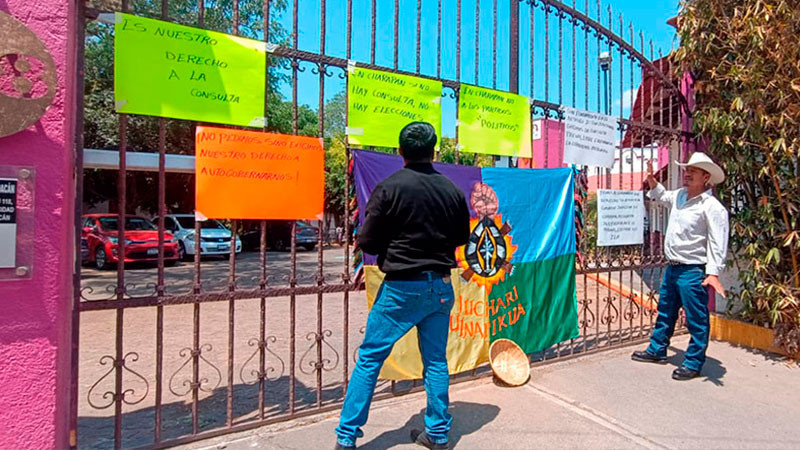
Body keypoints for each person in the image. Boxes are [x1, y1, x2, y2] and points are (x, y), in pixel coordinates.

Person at [335, 122, 470, 449]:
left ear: (400, 151)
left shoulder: (389, 187)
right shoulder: (451, 190)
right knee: (436, 360)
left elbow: (367, 241)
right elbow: (461, 239)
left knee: (370, 358)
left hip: (401, 288)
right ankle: (438, 434)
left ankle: (346, 438)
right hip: (439, 285)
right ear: (434, 151)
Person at [632, 152, 729, 380]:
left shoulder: (712, 207)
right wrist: (651, 178)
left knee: (696, 318)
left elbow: (718, 241)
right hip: (673, 268)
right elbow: (661, 195)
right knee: (665, 311)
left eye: (692, 172)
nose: (687, 175)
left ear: (706, 177)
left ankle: (694, 362)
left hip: (693, 270)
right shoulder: (680, 196)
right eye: (687, 170)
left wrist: (713, 272)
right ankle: (657, 349)